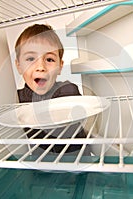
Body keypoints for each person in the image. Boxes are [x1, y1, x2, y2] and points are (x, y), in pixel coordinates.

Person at [14, 24, 90, 156]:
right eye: (31, 59)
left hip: (76, 160)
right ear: (19, 66)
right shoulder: (16, 97)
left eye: (49, 59)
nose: (40, 67)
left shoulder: (67, 89)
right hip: (40, 164)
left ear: (60, 66)